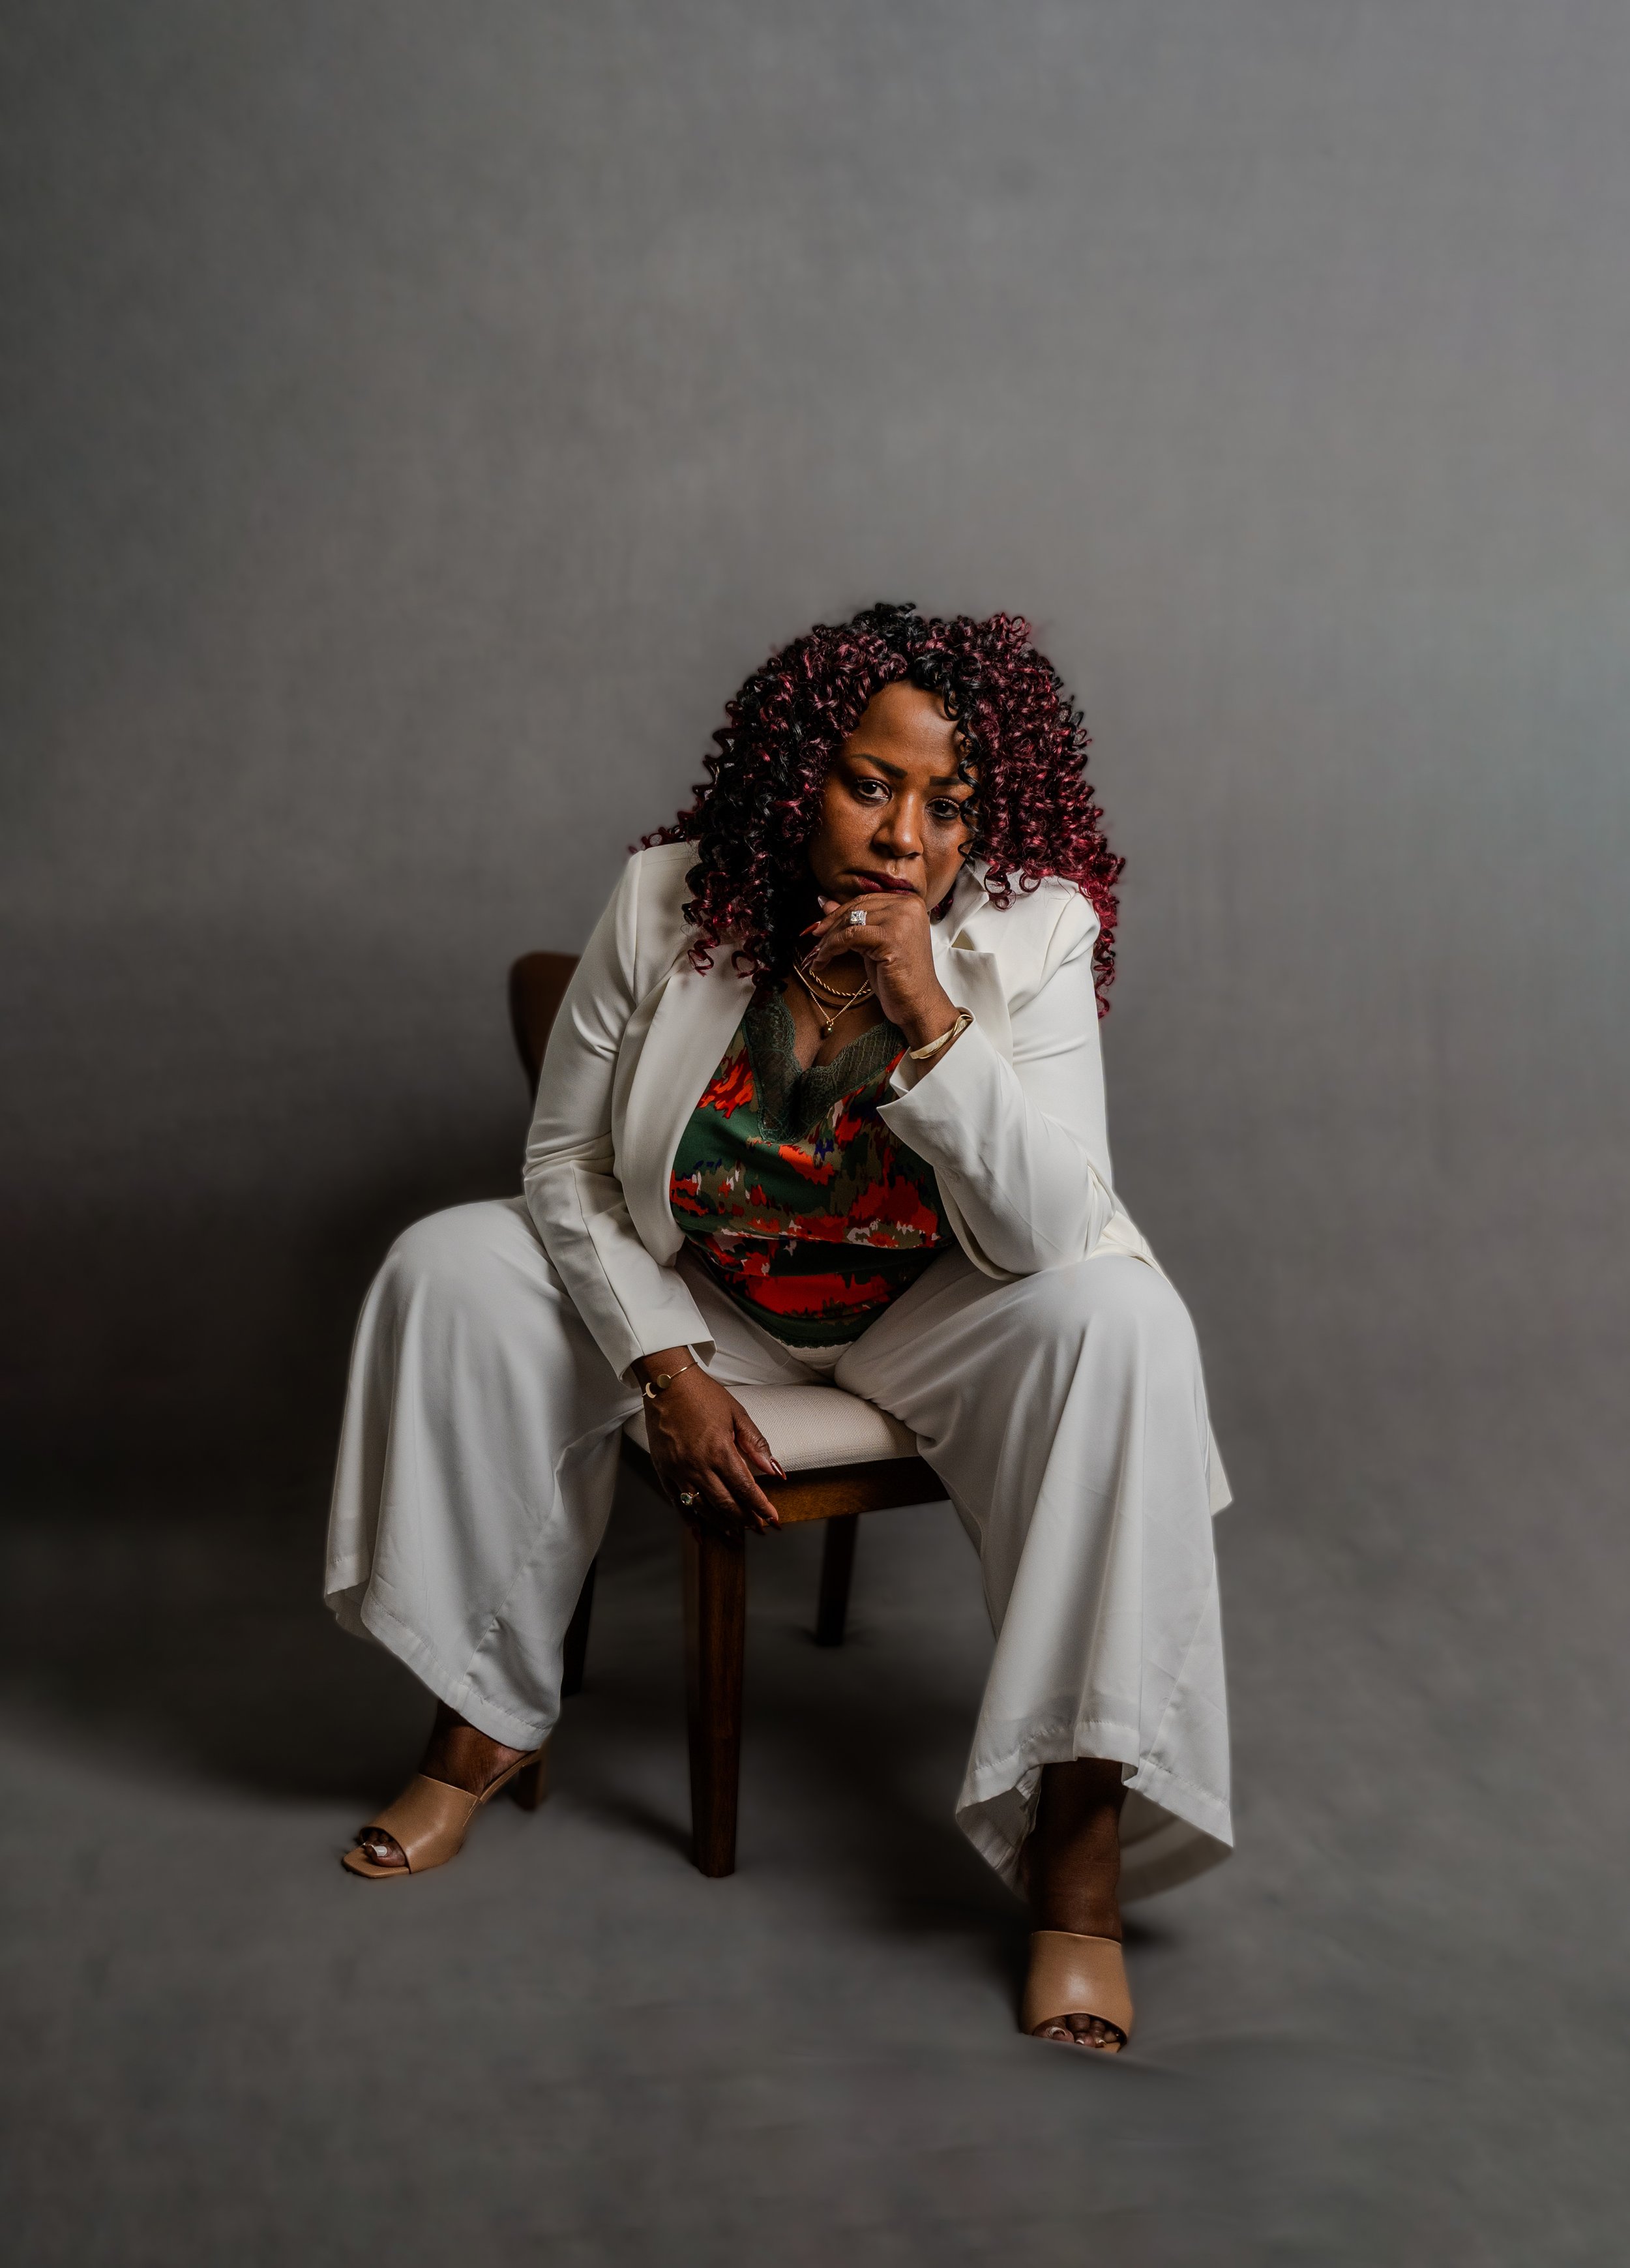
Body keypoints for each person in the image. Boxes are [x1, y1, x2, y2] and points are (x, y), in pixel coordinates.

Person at [325, 601, 1232, 2053]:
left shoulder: (1035, 927)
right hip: (711, 1295)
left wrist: (930, 1017)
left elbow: (1046, 1234)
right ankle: (479, 1711)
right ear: (797, 767)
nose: (904, 837)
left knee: (1123, 1321)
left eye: (949, 804)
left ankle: (1075, 1854)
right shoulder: (663, 899)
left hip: (928, 1308)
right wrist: (661, 1361)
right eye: (870, 782)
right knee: (449, 1260)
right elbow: (562, 1166)